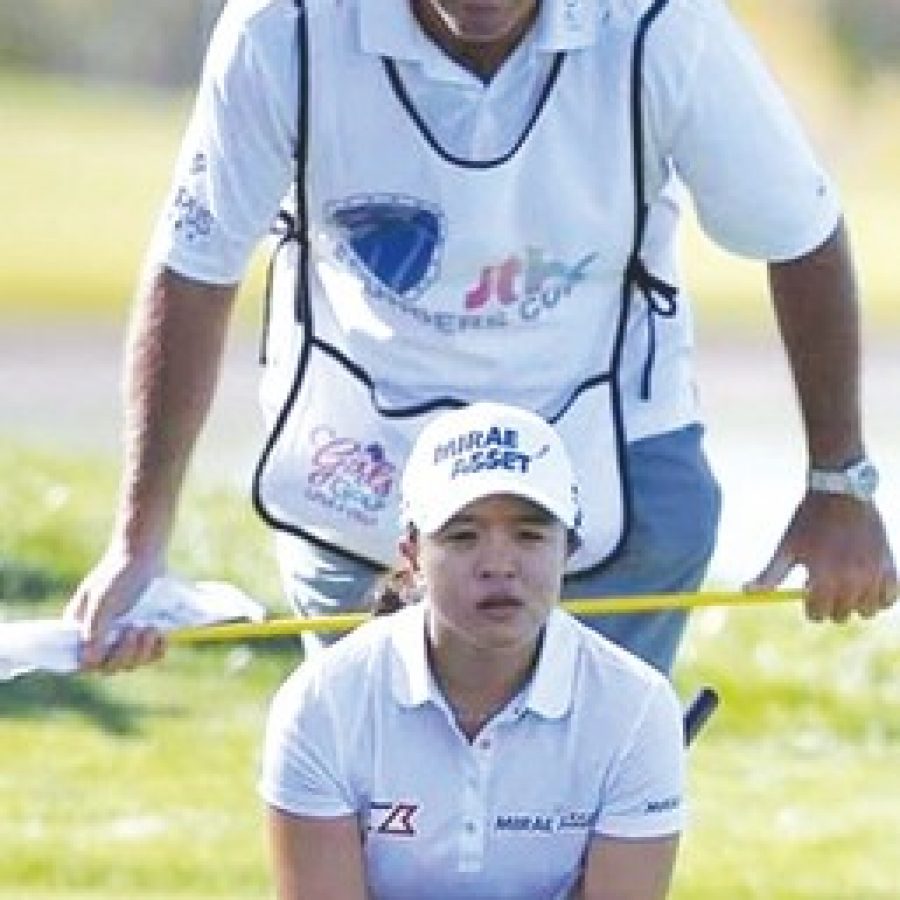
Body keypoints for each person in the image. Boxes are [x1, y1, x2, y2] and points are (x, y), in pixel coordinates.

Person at [67, 0, 896, 675]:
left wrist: (840, 483)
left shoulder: (662, 26)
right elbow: (196, 266)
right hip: (362, 473)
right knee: (381, 812)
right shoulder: (283, 28)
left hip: (618, 476)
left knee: (588, 824)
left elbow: (800, 231)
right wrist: (139, 545)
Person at [259, 401, 686, 900]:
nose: (499, 565)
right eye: (463, 536)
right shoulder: (320, 702)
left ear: (567, 548)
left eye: (530, 535)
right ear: (413, 555)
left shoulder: (637, 708)